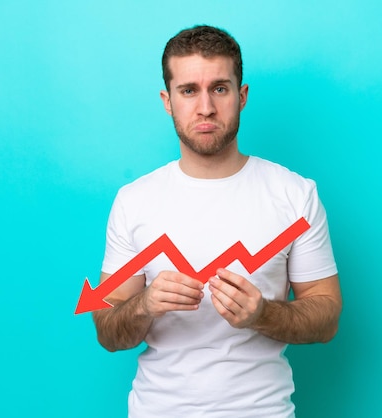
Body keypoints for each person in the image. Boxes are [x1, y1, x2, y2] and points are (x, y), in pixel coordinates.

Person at [93, 25, 342, 417]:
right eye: (189, 90)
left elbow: (326, 316)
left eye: (220, 88)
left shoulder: (296, 195)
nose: (205, 106)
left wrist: (263, 315)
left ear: (241, 97)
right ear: (167, 101)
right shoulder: (134, 201)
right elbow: (106, 329)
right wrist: (145, 305)